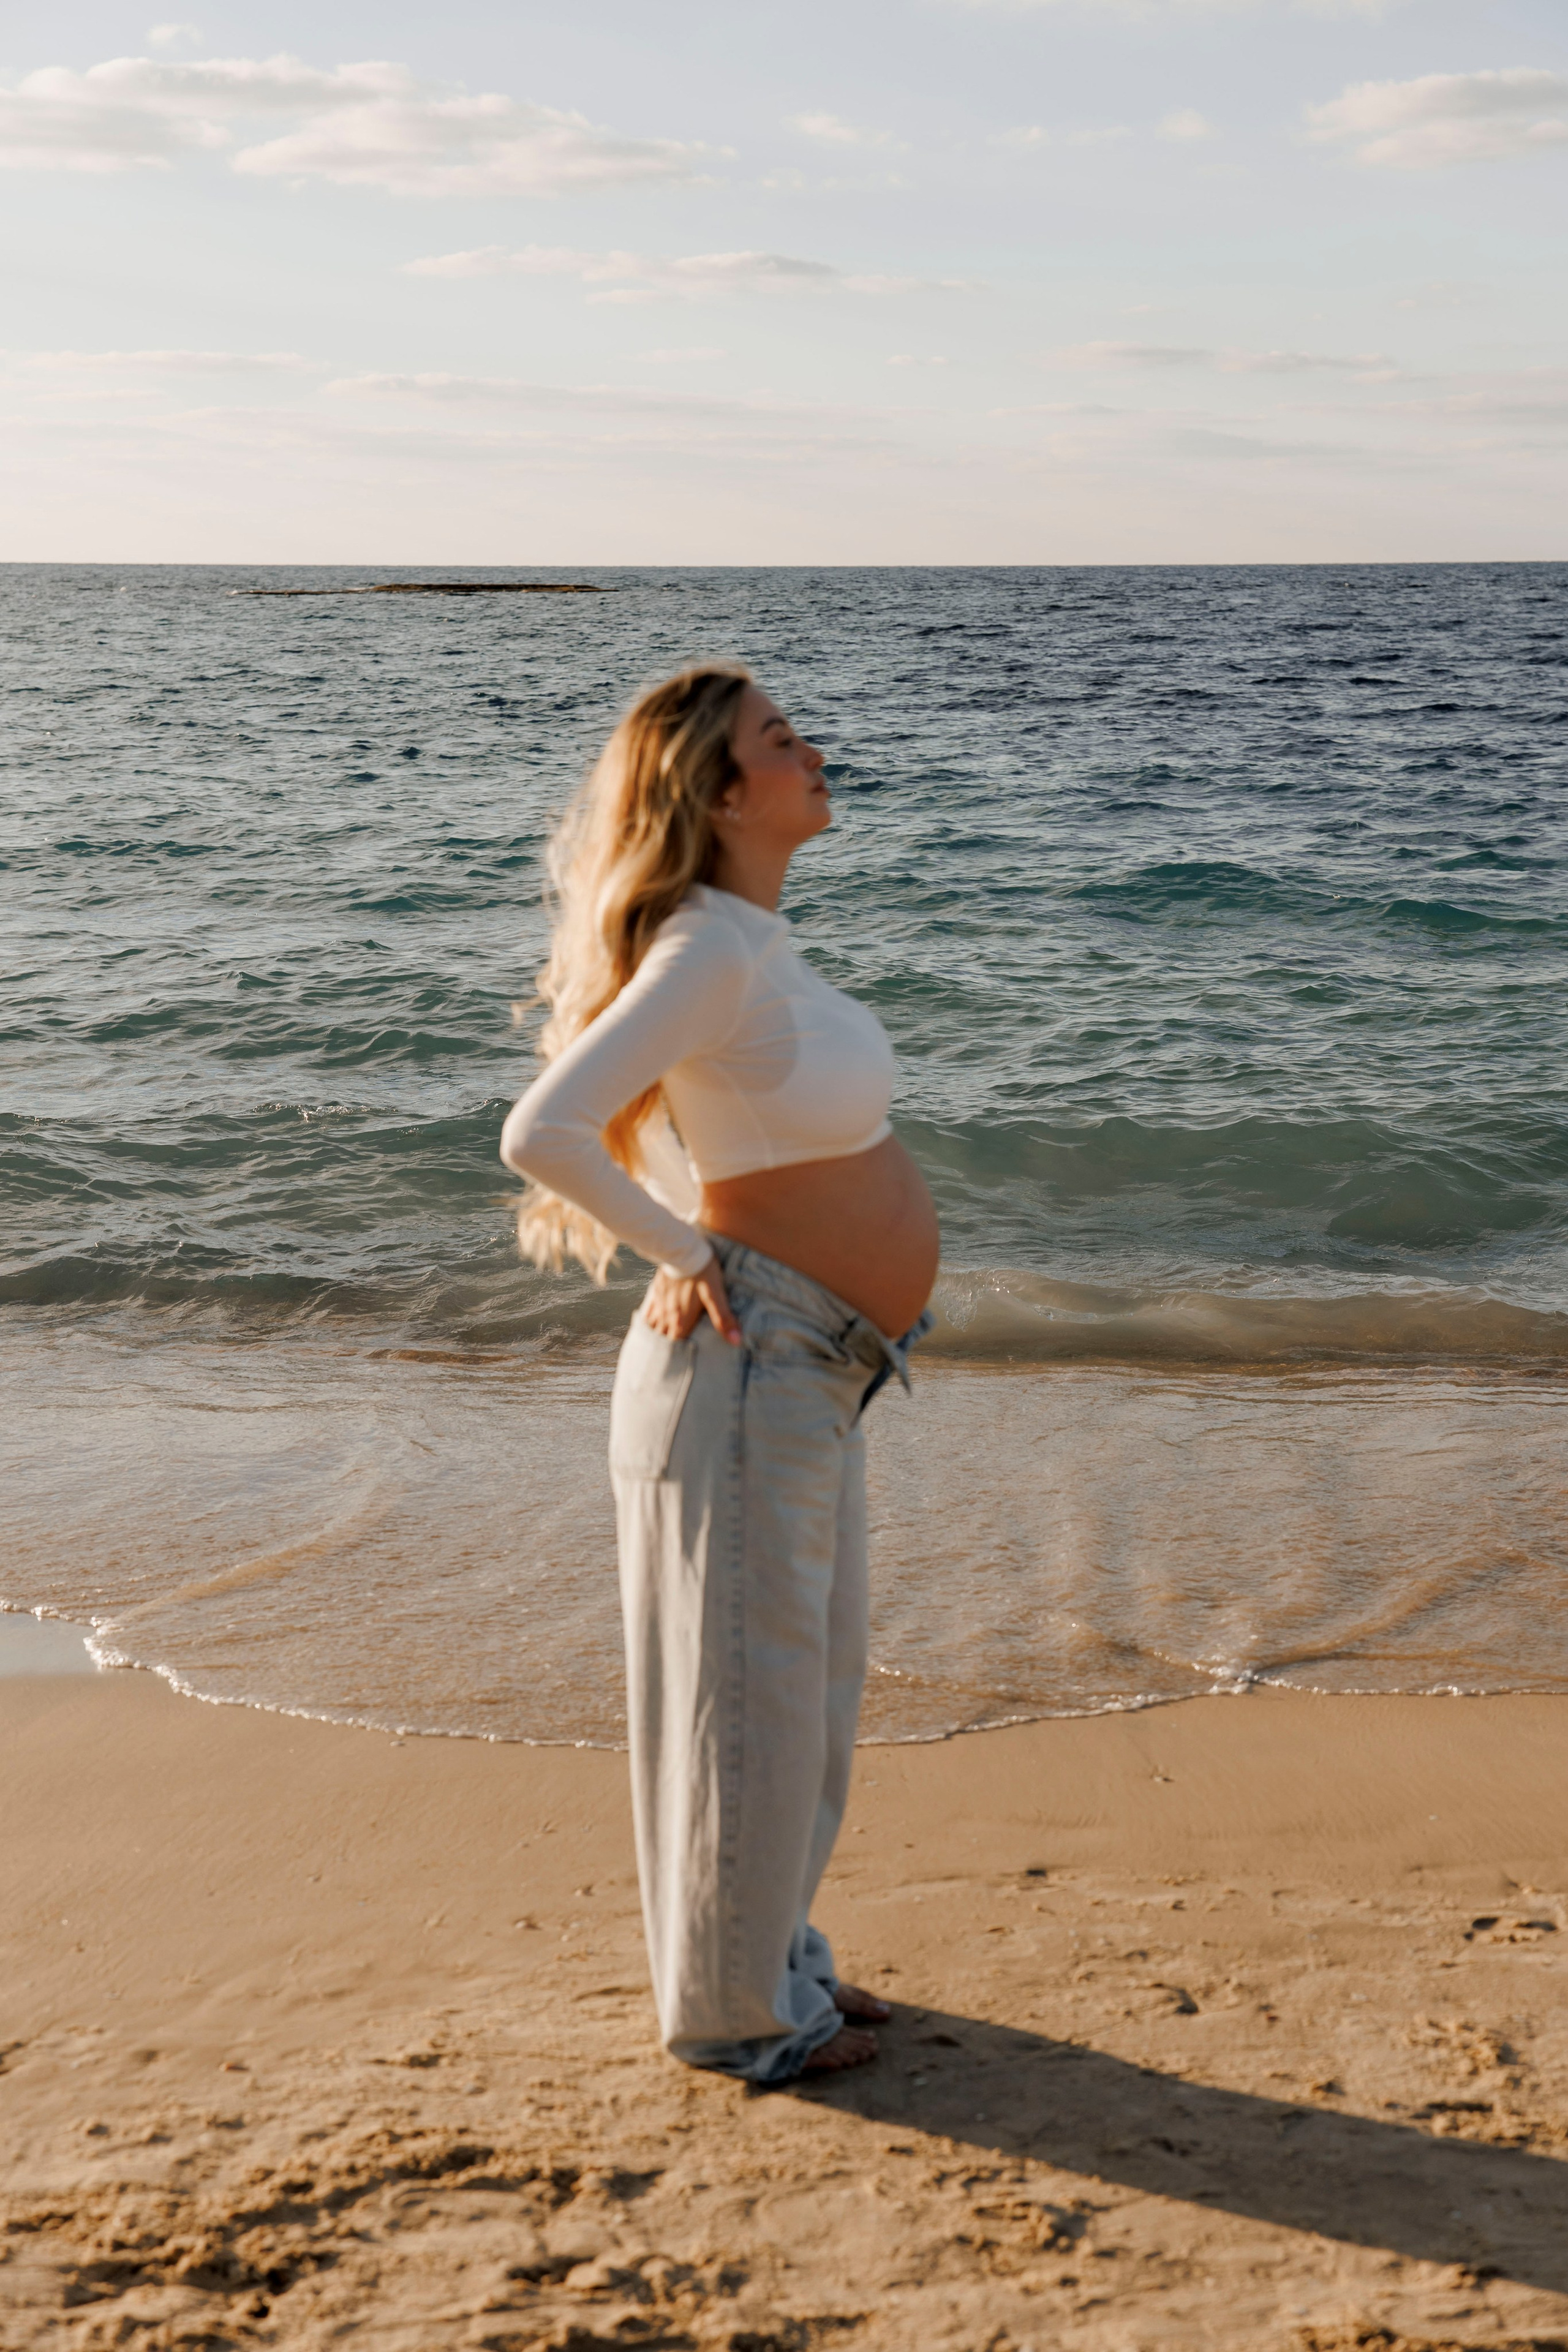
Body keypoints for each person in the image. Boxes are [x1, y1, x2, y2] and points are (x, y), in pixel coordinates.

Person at [500, 663, 940, 2082]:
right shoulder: (706, 949)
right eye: (780, 739)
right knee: (749, 1702)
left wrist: (707, 1232)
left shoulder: (748, 945)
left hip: (813, 1364)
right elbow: (542, 1132)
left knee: (800, 1699)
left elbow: (726, 1122)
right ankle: (738, 2015)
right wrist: (689, 1253)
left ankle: (775, 1961)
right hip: (755, 1359)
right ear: (720, 791)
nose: (814, 753)